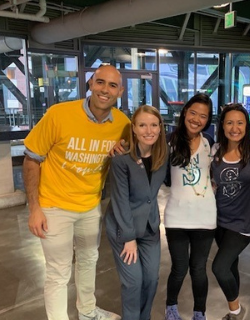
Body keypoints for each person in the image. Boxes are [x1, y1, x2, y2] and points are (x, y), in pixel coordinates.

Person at [24, 65, 130, 320]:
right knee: (58, 272)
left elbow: (131, 158)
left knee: (88, 261)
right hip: (53, 206)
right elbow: (31, 159)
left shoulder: (123, 125)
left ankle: (87, 312)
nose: (105, 90)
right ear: (91, 83)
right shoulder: (59, 114)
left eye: (112, 85)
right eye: (100, 82)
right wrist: (34, 208)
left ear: (120, 91)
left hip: (90, 205)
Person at [105, 105, 168, 320]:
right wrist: (129, 238)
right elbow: (120, 200)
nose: (148, 130)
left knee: (151, 279)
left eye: (153, 125)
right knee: (134, 282)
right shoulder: (122, 157)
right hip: (124, 228)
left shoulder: (163, 155)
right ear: (133, 128)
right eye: (142, 125)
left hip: (149, 226)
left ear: (160, 128)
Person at [164, 93, 216, 320]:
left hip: (205, 217)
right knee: (179, 269)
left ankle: (199, 312)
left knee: (198, 269)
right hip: (176, 216)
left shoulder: (209, 143)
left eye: (203, 116)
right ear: (185, 112)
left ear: (208, 120)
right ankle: (171, 307)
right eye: (193, 112)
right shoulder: (168, 140)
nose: (196, 119)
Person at [211, 104, 250, 320]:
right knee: (231, 265)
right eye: (229, 122)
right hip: (219, 221)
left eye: (240, 122)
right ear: (222, 125)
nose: (235, 128)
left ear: (246, 126)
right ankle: (234, 309)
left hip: (243, 224)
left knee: (219, 267)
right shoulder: (215, 152)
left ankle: (236, 311)